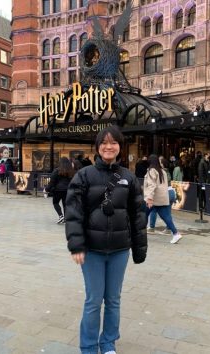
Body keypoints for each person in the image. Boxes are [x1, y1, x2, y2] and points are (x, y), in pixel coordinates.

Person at [65, 126, 147, 354]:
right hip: (92, 250)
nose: (108, 147)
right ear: (97, 146)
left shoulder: (128, 178)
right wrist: (76, 245)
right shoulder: (84, 175)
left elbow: (137, 215)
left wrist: (139, 250)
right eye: (104, 142)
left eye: (113, 143)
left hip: (120, 250)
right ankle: (89, 347)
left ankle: (108, 342)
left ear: (120, 147)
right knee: (93, 301)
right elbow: (73, 212)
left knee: (113, 299)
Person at [144, 154, 182, 244]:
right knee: (165, 216)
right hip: (162, 198)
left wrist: (149, 198)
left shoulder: (151, 171)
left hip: (152, 199)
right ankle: (176, 233)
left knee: (143, 215)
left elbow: (151, 185)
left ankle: (138, 234)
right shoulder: (162, 171)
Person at [47, 157, 75, 224]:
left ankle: (60, 216)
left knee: (55, 203)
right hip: (68, 190)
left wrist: (47, 189)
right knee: (65, 204)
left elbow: (52, 181)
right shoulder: (71, 171)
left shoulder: (57, 170)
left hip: (58, 190)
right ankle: (65, 218)